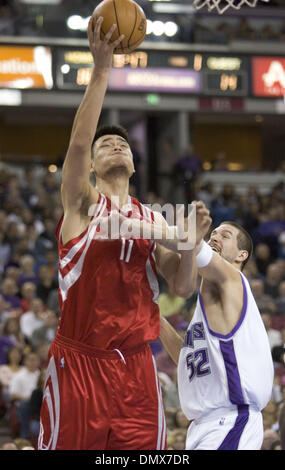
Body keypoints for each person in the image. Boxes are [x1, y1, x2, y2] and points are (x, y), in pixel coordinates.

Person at [38, 16, 201, 451]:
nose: (115, 145)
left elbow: (182, 287)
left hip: (136, 369)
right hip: (80, 363)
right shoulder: (82, 203)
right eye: (104, 145)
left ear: (133, 163)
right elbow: (76, 143)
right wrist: (103, 70)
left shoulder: (154, 220)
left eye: (123, 145)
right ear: (90, 166)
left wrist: (189, 243)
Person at [159, 217, 274, 450]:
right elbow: (188, 358)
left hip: (231, 420)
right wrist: (153, 315)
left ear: (241, 255)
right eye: (214, 233)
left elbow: (192, 246)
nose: (215, 236)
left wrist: (138, 225)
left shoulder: (234, 280)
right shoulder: (206, 307)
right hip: (204, 425)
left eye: (225, 235)